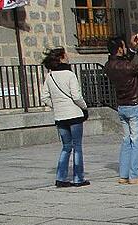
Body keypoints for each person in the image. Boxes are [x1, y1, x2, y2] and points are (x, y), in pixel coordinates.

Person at [106, 34, 138, 185]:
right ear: (120, 49)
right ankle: (134, 174)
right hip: (135, 106)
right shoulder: (126, 67)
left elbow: (126, 63)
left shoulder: (109, 65)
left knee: (126, 140)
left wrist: (133, 50)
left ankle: (124, 174)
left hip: (122, 106)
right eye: (124, 47)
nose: (126, 48)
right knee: (137, 141)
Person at [41, 47, 89, 188]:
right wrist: (84, 107)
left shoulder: (50, 76)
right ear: (61, 58)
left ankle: (60, 177)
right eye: (65, 55)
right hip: (74, 114)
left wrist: (55, 105)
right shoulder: (69, 75)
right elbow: (76, 96)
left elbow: (44, 97)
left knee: (66, 147)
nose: (68, 57)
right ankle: (78, 178)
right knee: (77, 147)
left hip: (60, 116)